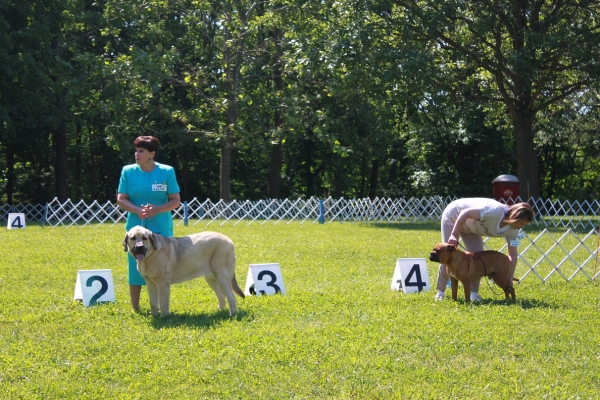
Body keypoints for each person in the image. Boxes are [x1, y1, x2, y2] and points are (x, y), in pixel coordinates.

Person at [117, 136, 181, 311]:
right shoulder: (127, 171)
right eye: (136, 150)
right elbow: (121, 199)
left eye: (141, 151)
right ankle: (136, 309)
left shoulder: (167, 171)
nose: (137, 154)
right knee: (135, 267)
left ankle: (162, 309)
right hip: (135, 228)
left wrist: (158, 208)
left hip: (161, 228)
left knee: (162, 271)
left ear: (152, 154)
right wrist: (137, 210)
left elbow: (175, 200)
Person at [434, 198, 534, 301]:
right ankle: (440, 293)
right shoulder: (493, 211)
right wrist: (454, 235)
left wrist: (510, 275)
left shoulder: (513, 231)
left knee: (478, 262)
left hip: (472, 227)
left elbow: (513, 254)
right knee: (446, 256)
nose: (522, 227)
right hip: (454, 216)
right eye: (522, 223)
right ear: (515, 217)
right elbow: (464, 213)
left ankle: (474, 294)